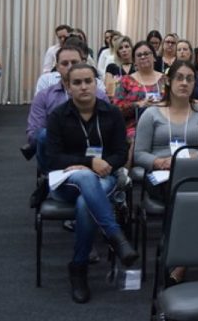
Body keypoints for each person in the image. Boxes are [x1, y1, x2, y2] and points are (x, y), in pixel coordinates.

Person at [45, 63, 137, 303]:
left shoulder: (112, 113)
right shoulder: (58, 116)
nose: (84, 86)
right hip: (66, 182)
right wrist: (88, 162)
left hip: (104, 177)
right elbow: (53, 158)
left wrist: (104, 164)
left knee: (86, 204)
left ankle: (79, 267)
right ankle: (115, 235)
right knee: (85, 176)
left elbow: (120, 152)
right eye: (77, 82)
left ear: (96, 83)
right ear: (67, 86)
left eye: (88, 81)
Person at [133, 60, 198, 282]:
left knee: (197, 193)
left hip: (194, 172)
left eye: (190, 79)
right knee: (185, 194)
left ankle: (178, 258)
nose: (184, 83)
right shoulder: (151, 114)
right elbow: (139, 154)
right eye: (179, 77)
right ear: (169, 81)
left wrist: (193, 157)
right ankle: (182, 258)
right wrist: (161, 162)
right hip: (162, 176)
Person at [27, 46, 110, 172]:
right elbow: (34, 135)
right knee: (43, 135)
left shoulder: (99, 95)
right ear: (57, 67)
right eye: (65, 63)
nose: (70, 66)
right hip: (56, 152)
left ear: (83, 63)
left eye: (74, 62)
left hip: (91, 150)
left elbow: (108, 128)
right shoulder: (44, 96)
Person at [113, 41, 166, 141]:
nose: (143, 57)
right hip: (135, 127)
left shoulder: (165, 80)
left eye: (146, 54)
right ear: (134, 61)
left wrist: (163, 104)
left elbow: (176, 104)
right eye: (139, 55)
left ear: (154, 57)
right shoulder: (125, 80)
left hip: (164, 123)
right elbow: (116, 110)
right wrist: (138, 104)